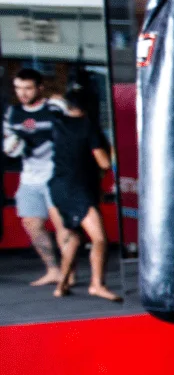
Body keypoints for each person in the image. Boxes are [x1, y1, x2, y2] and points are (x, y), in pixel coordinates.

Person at [45, 88, 120, 301]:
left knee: (74, 236)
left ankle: (61, 285)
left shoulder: (58, 123)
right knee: (99, 238)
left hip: (58, 187)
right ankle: (96, 284)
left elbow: (54, 100)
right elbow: (104, 162)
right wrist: (114, 150)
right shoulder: (88, 126)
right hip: (77, 189)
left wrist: (61, 98)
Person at [4, 68, 68, 289]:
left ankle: (69, 272)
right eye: (18, 88)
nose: (22, 93)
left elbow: (75, 131)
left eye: (28, 88)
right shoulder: (13, 113)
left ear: (40, 88)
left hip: (56, 175)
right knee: (31, 223)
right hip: (29, 177)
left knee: (63, 225)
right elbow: (8, 142)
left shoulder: (54, 108)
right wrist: (11, 146)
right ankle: (53, 270)